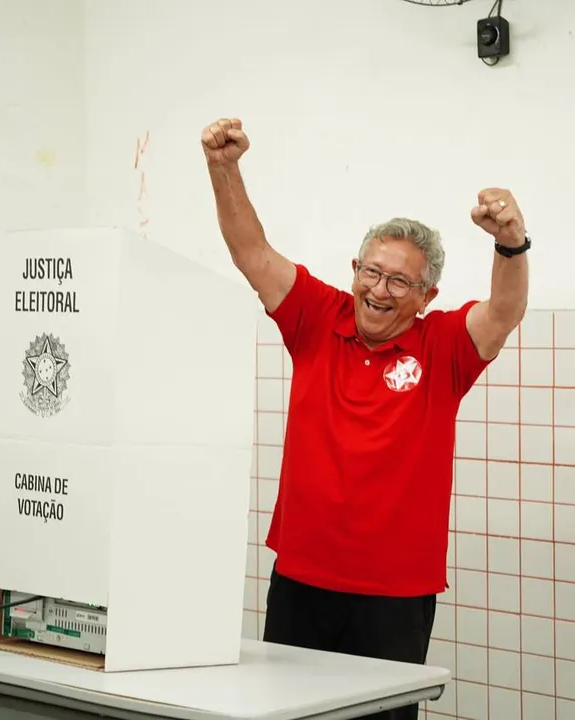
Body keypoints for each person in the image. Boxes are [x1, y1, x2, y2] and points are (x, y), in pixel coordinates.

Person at [202, 117, 530, 720]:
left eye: (399, 281)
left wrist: (510, 241)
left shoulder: (445, 348)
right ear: (355, 268)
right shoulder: (314, 318)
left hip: (395, 596)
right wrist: (224, 167)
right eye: (370, 272)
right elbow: (250, 250)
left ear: (426, 294)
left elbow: (505, 309)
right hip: (302, 580)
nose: (379, 290)